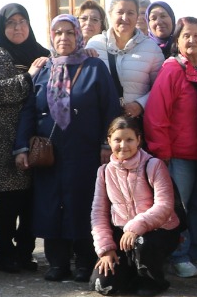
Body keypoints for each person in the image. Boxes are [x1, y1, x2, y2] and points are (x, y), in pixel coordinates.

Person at [15, 14, 120, 281]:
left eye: (69, 33)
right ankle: (57, 262)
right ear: (51, 37)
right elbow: (28, 111)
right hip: (49, 153)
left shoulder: (95, 67)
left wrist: (107, 144)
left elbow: (110, 109)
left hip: (83, 150)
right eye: (58, 33)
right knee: (50, 203)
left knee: (83, 203)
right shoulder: (42, 70)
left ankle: (84, 261)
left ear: (78, 36)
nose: (63, 38)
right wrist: (21, 148)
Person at [0, 3, 50, 273]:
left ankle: (25, 252)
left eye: (22, 21)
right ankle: (4, 253)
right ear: (2, 27)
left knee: (32, 199)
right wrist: (28, 77)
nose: (17, 27)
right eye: (11, 23)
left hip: (35, 138)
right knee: (9, 199)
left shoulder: (42, 54)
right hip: (2, 139)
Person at [147, 17, 197, 277]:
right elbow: (156, 114)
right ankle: (179, 255)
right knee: (178, 208)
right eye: (186, 35)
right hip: (178, 154)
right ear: (177, 41)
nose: (192, 40)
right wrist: (161, 152)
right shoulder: (172, 70)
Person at [90, 115, 181, 295]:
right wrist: (106, 249)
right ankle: (130, 273)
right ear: (109, 141)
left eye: (129, 139)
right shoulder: (104, 172)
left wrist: (135, 227)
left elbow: (164, 205)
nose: (123, 145)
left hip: (156, 232)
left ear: (139, 140)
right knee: (103, 284)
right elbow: (98, 213)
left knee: (142, 244)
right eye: (117, 140)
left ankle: (153, 280)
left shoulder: (154, 165)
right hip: (122, 234)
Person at [89, 0, 163, 119]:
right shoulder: (95, 44)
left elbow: (160, 87)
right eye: (120, 12)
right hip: (102, 120)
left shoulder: (151, 49)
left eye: (131, 13)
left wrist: (140, 105)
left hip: (135, 124)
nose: (125, 17)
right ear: (110, 14)